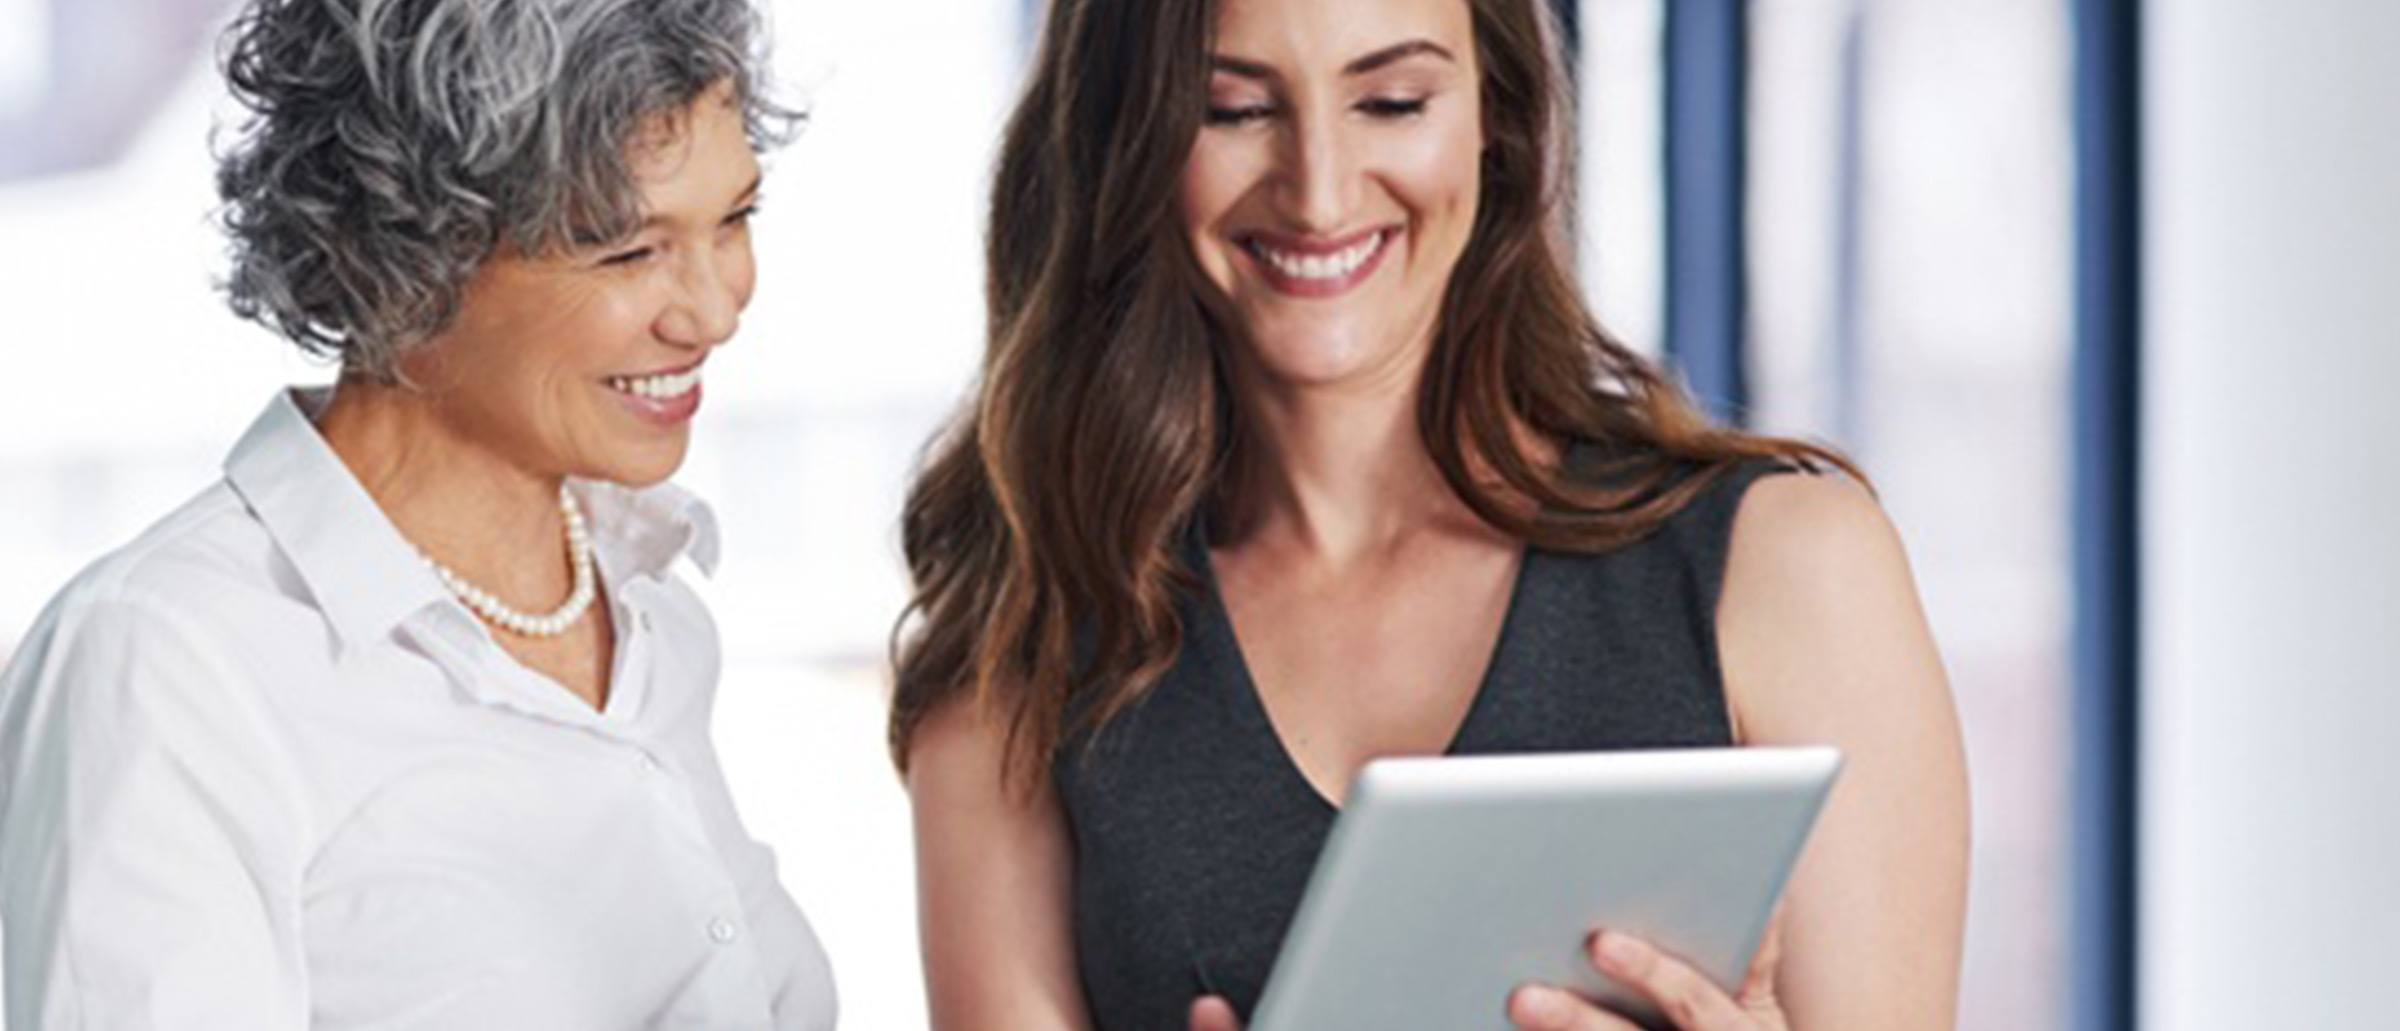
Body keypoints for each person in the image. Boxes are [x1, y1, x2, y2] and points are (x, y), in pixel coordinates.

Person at [892, 0, 1968, 1028]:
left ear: (1494, 118)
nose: (1319, 192)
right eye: (1233, 110)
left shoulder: (1789, 572)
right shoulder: (1019, 647)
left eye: (1395, 101)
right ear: (1124, 135)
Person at [0, 0, 837, 1026]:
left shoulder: (653, 603)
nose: (712, 310)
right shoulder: (171, 662)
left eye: (733, 220)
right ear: (405, 258)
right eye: (629, 252)